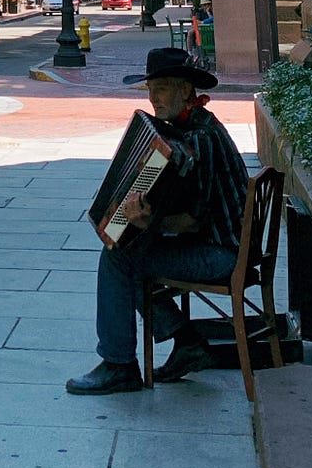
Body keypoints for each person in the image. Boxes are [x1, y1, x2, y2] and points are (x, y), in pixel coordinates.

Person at [67, 45, 250, 396]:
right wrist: (146, 224)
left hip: (225, 254)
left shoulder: (201, 138)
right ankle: (186, 342)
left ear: (185, 90)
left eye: (161, 88)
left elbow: (192, 223)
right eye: (150, 90)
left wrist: (148, 222)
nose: (153, 98)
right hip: (223, 245)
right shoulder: (196, 127)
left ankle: (120, 365)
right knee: (129, 251)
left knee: (119, 258)